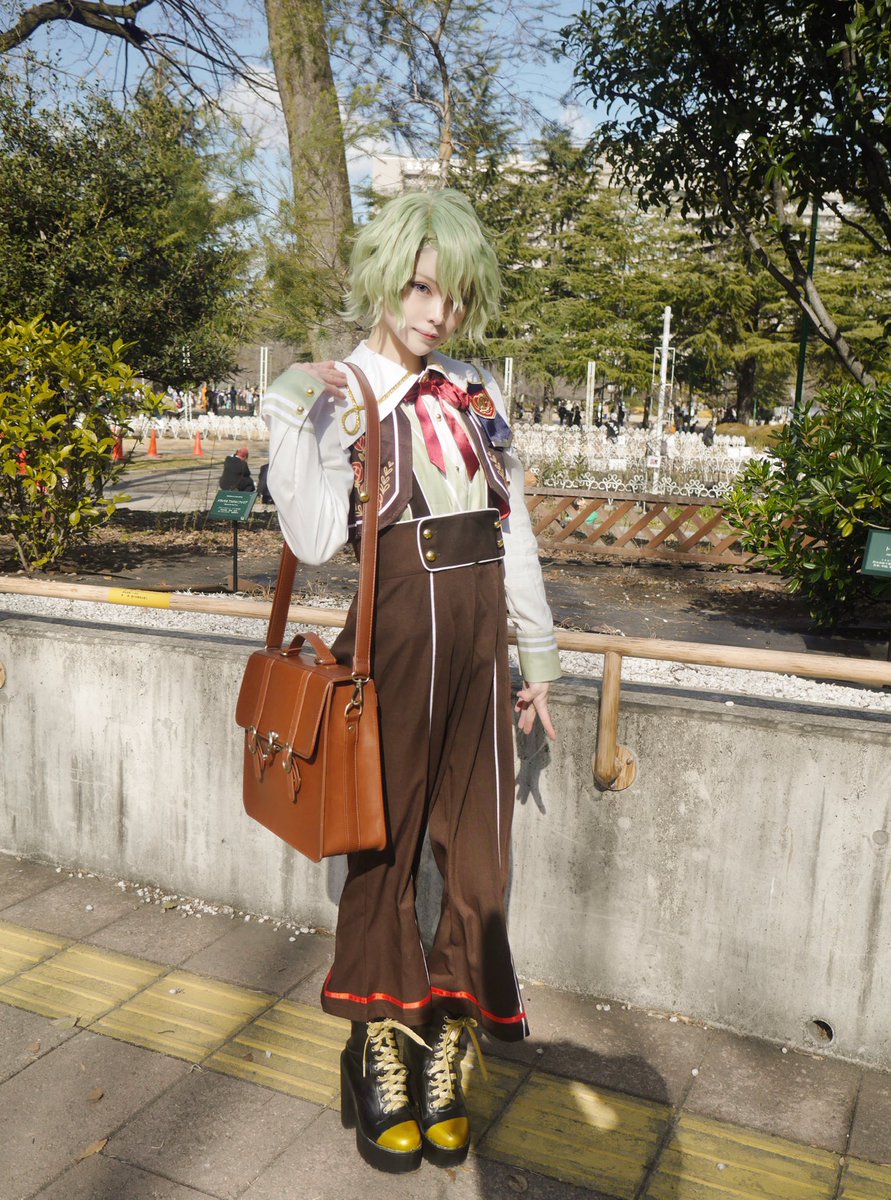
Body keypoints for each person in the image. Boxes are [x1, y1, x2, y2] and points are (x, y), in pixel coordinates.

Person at [263, 189, 560, 1175]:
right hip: (392, 645)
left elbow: (514, 527)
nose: (439, 312)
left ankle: (448, 1045)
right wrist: (289, 421)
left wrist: (538, 656)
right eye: (423, 288)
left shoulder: (477, 390)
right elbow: (316, 539)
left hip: (477, 647)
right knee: (383, 855)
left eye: (456, 295)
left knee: (478, 865)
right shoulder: (344, 389)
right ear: (387, 277)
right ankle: (380, 1048)